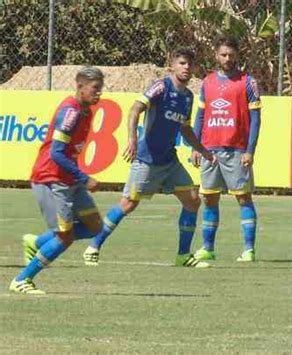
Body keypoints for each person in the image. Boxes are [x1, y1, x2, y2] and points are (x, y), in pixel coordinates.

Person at [82, 48, 216, 268]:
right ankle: (93, 246)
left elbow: (185, 129)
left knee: (193, 200)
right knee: (128, 204)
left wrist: (203, 150)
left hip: (169, 161)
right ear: (171, 65)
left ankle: (183, 255)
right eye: (181, 63)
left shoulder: (188, 97)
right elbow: (136, 109)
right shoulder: (161, 86)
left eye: (190, 64)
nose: (186, 67)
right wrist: (133, 139)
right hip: (147, 159)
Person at [10, 67, 105, 295]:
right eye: (94, 88)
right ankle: (22, 279)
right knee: (65, 236)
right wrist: (85, 177)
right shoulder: (70, 113)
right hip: (51, 179)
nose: (98, 93)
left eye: (100, 88)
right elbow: (56, 153)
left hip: (68, 179)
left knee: (95, 226)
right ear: (79, 86)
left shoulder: (86, 111)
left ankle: (37, 242)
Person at [191, 34, 262, 262]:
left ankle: (249, 250)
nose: (228, 58)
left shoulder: (247, 82)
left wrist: (250, 150)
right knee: (209, 199)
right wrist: (195, 146)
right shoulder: (207, 81)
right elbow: (201, 116)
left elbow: (256, 119)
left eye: (231, 54)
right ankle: (208, 248)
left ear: (238, 55)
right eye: (223, 54)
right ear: (216, 55)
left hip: (237, 150)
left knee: (243, 198)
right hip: (210, 150)